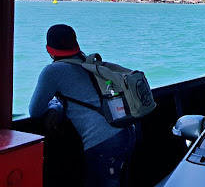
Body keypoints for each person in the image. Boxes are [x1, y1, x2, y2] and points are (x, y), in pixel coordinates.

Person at [29, 24, 136, 187]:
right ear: (76, 44)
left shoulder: (53, 71)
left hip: (103, 140)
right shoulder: (89, 64)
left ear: (48, 49)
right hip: (127, 130)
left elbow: (35, 111)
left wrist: (55, 107)